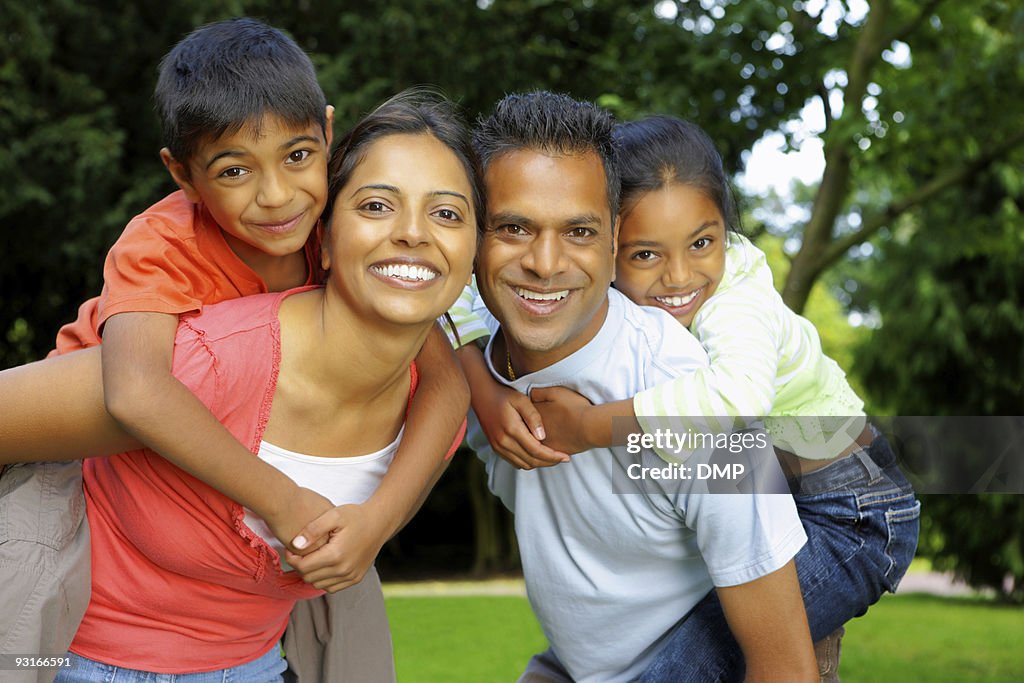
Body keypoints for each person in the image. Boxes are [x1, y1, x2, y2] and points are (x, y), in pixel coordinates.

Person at [0, 19, 467, 683]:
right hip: (66, 463)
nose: (276, 194)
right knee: (25, 610)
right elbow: (134, 391)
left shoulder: (330, 228)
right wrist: (282, 499)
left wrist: (377, 521)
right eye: (234, 169)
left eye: (298, 156)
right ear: (182, 173)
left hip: (236, 628)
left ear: (328, 135)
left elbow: (446, 382)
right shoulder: (161, 245)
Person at [481, 115, 922, 680]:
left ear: (725, 232)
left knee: (697, 657)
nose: (679, 277)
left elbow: (733, 401)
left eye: (701, 243)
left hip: (854, 511)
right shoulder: (571, 287)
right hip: (778, 484)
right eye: (646, 255)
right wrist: (483, 385)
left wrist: (591, 427)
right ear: (611, 244)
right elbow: (466, 301)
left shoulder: (734, 304)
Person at [453, 91, 818, 682]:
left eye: (578, 230)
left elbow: (784, 668)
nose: (546, 263)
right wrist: (477, 382)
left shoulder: (695, 402)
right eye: (514, 227)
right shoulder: (464, 358)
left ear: (615, 236)